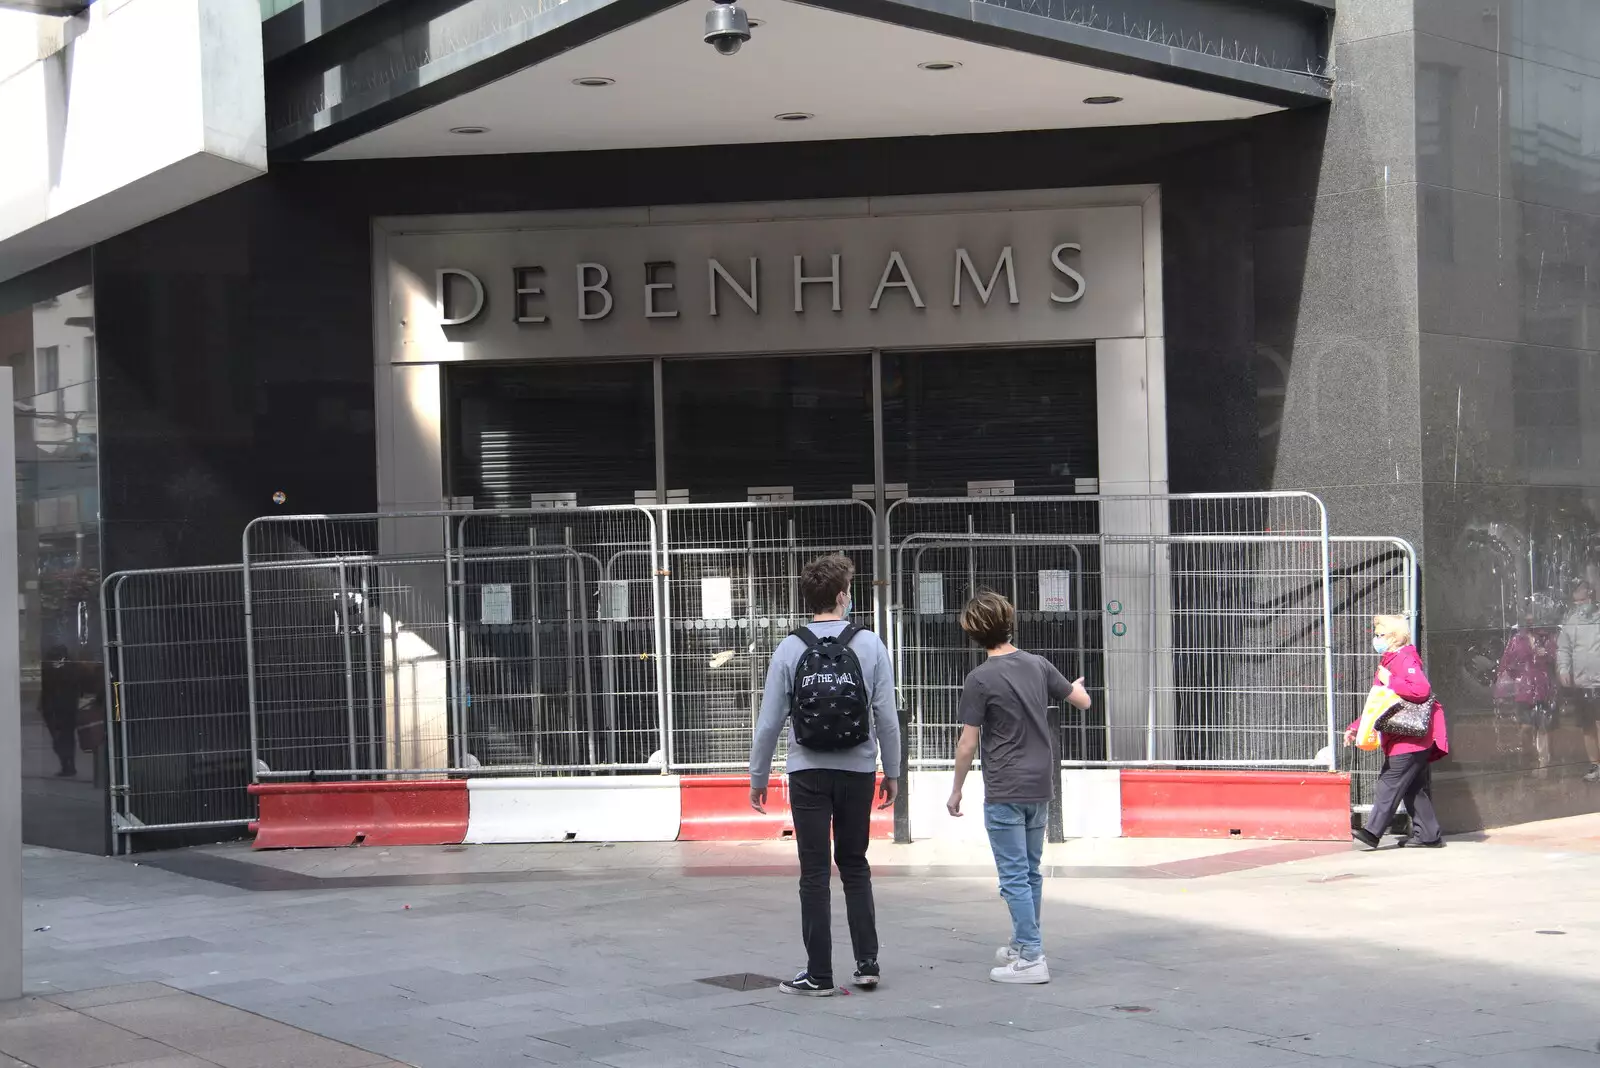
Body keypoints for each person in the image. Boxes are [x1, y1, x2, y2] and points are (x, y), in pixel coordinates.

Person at [749, 552, 900, 997]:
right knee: (855, 864)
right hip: (857, 770)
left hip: (807, 772)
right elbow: (887, 717)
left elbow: (769, 721)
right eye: (849, 591)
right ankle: (867, 963)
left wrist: (758, 776)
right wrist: (891, 771)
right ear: (840, 596)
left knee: (814, 871)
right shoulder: (870, 644)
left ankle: (818, 974)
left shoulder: (790, 647)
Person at [946, 591, 1091, 985]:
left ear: (974, 635)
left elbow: (967, 743)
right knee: (1029, 873)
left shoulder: (979, 679)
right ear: (1010, 622)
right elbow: (1083, 701)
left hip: (1005, 786)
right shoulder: (1039, 665)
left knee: (1012, 876)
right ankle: (1022, 942)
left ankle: (1031, 955)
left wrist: (956, 789)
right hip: (1039, 785)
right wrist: (1074, 685)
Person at [1344, 614, 1449, 850]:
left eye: (1379, 634)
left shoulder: (1402, 660)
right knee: (1412, 788)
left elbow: (1421, 689)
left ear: (1393, 636)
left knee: (1389, 782)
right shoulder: (1393, 660)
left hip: (1409, 738)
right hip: (1411, 737)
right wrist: (1356, 726)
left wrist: (1390, 679)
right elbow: (1379, 704)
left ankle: (1372, 832)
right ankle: (1428, 835)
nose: (1375, 639)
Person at [1494, 611, 1557, 768]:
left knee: (1542, 727)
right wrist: (1501, 687)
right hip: (1522, 688)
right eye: (1528, 617)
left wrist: (1548, 654)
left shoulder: (1546, 638)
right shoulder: (1517, 639)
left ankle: (1543, 764)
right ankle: (1530, 757)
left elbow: (1557, 656)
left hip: (1542, 687)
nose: (1531, 620)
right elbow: (1506, 661)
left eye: (1534, 616)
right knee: (1526, 727)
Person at [1557, 579, 1600, 783]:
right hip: (1582, 682)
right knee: (1587, 725)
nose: (1580, 605)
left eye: (1583, 600)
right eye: (1577, 602)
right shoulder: (1571, 622)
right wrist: (1564, 669)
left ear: (1590, 595)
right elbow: (1563, 649)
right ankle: (1595, 765)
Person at [40, 645, 81, 778]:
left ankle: (66, 765)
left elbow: (47, 688)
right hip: (66, 708)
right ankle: (68, 764)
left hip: (57, 708)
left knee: (61, 737)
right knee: (67, 737)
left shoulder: (51, 668)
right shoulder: (70, 667)